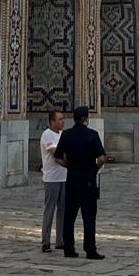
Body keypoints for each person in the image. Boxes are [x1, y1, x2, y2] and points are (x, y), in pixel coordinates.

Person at [53, 106, 107, 258]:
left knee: (69, 216)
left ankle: (68, 248)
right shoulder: (92, 135)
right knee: (89, 217)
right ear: (85, 119)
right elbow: (102, 158)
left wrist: (69, 166)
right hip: (88, 180)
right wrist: (94, 169)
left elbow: (57, 157)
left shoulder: (67, 135)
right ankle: (90, 249)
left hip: (71, 179)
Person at [39, 108, 67, 251]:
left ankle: (60, 240)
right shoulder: (47, 135)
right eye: (60, 119)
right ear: (52, 121)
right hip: (52, 178)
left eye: (63, 119)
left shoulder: (63, 135)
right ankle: (45, 241)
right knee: (49, 209)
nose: (63, 121)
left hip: (64, 177)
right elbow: (56, 154)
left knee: (63, 210)